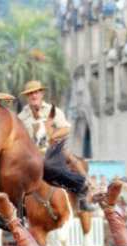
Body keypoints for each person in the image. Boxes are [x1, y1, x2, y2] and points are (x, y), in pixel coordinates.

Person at [18, 80, 95, 212]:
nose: (33, 96)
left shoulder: (53, 111)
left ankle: (81, 187)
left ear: (41, 93)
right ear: (27, 96)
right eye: (30, 93)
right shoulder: (21, 116)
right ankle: (18, 209)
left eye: (36, 92)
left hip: (52, 148)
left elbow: (66, 129)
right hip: (31, 153)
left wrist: (51, 136)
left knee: (51, 165)